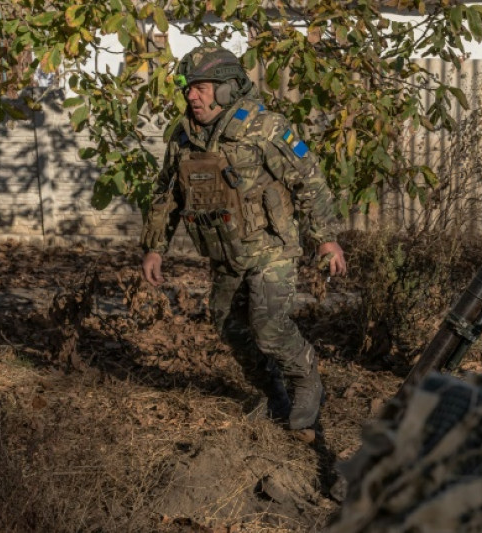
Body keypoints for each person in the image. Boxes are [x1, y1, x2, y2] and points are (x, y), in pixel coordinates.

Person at [139, 43, 347, 430]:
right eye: (188, 87)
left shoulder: (265, 127)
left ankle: (306, 381)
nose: (191, 95)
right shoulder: (183, 137)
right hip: (225, 252)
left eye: (200, 87)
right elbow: (167, 193)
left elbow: (309, 180)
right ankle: (273, 395)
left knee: (269, 326)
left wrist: (326, 238)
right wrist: (155, 248)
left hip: (270, 247)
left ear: (225, 89)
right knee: (228, 325)